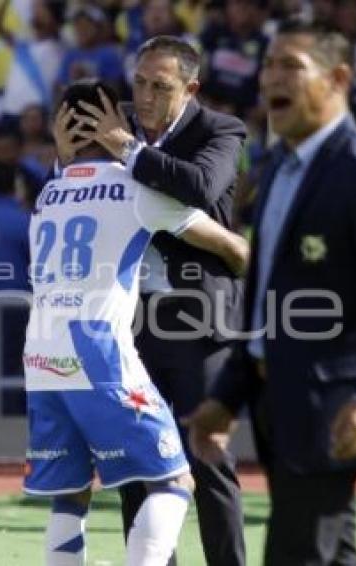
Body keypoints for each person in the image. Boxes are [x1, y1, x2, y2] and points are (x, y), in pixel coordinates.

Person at [185, 21, 356, 565]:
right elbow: (265, 296)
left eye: (291, 67)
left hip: (335, 405)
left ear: (339, 78)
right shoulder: (276, 169)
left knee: (297, 554)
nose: (271, 77)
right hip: (279, 403)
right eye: (269, 65)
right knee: (332, 552)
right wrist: (228, 396)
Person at [23, 79, 249, 565]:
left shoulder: (48, 192)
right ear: (116, 123)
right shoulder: (136, 189)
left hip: (41, 355)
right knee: (174, 479)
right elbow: (230, 248)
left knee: (71, 493)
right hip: (100, 348)